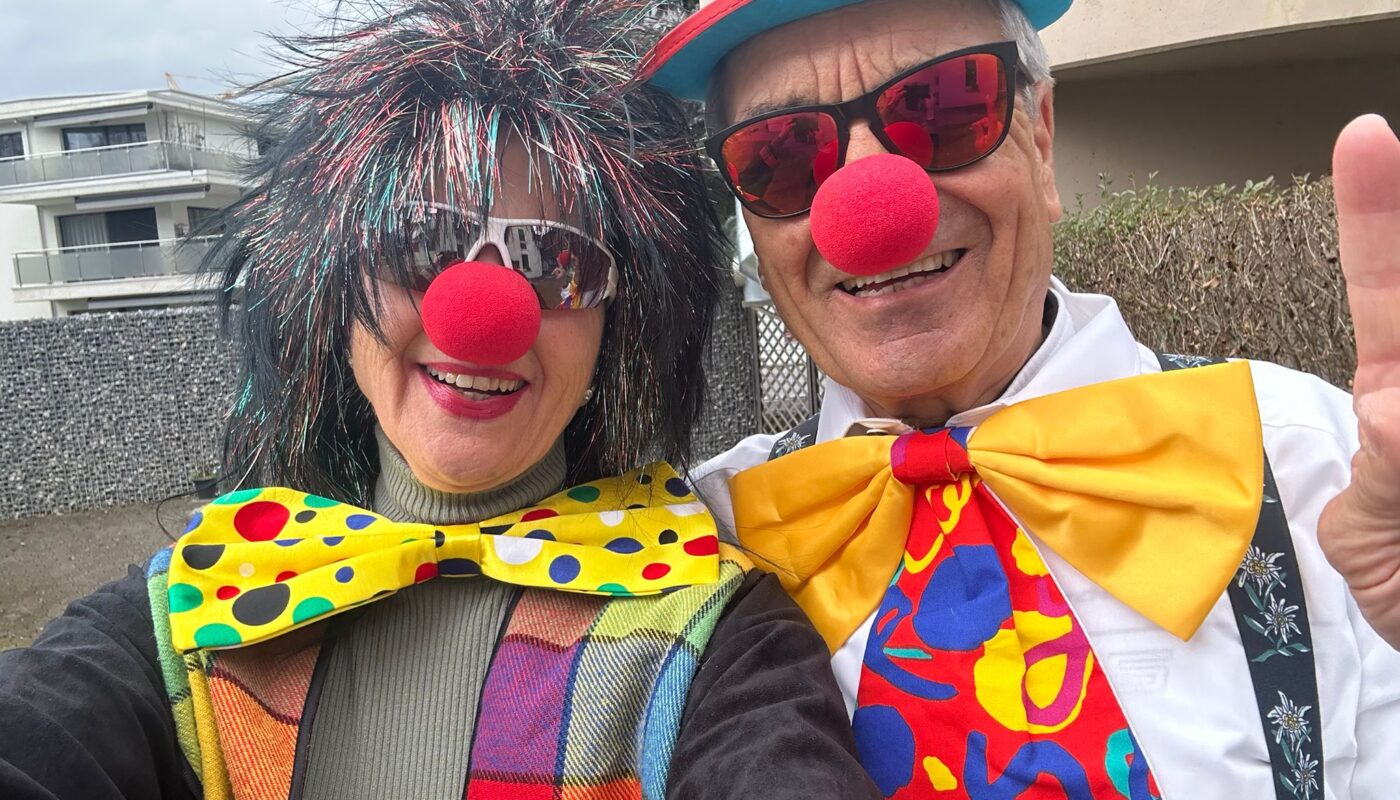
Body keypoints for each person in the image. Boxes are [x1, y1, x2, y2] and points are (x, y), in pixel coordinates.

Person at [0, 1, 877, 798]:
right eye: (420, 242)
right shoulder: (197, 603)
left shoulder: (718, 630)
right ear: (332, 286)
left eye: (555, 262)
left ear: (618, 327)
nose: (480, 317)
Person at [643, 0, 1400, 796]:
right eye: (782, 155)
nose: (872, 211)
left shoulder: (1325, 467)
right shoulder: (701, 551)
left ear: (1039, 139)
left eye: (940, 109)